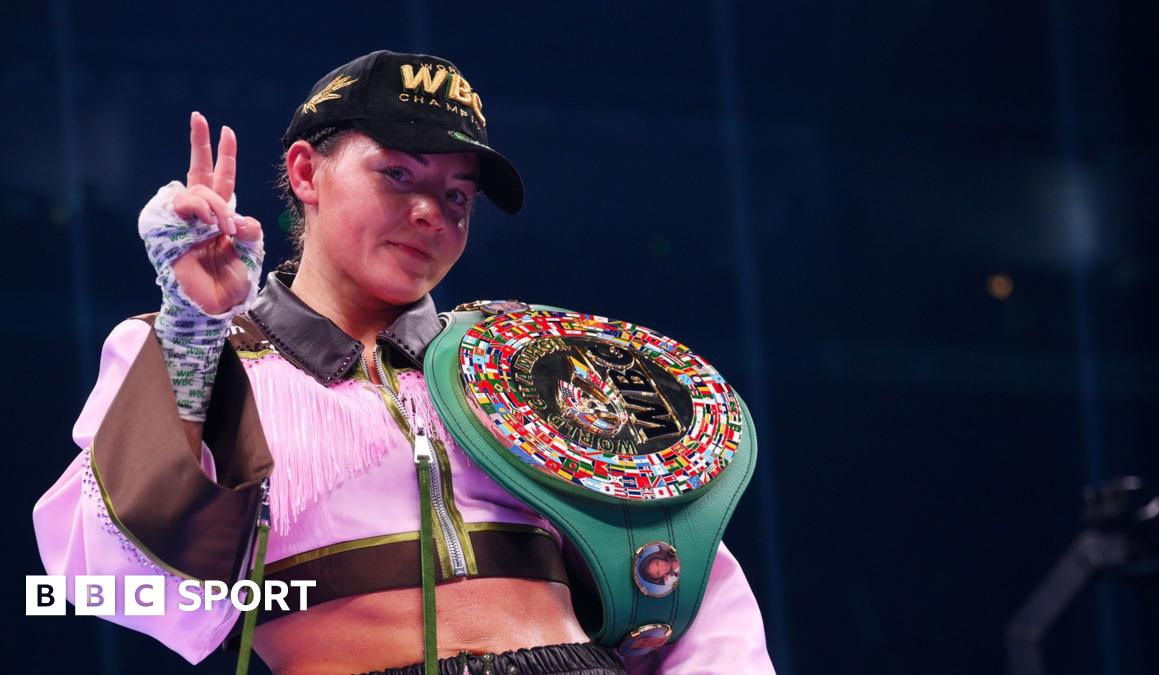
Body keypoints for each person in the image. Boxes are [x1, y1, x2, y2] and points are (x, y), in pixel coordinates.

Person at [33, 50, 774, 675]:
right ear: (305, 172)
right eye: (398, 175)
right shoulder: (204, 354)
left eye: (457, 194)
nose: (432, 212)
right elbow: (102, 579)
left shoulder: (529, 363)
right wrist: (195, 324)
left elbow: (686, 579)